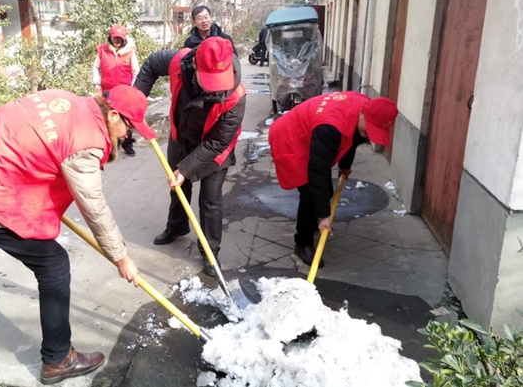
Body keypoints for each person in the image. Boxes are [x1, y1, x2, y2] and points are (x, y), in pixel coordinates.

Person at [0, 85, 156, 385]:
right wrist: (121, 256)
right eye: (129, 127)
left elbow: (27, 143)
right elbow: (93, 205)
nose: (127, 135)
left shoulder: (64, 99)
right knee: (53, 264)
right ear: (114, 114)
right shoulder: (86, 140)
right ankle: (58, 359)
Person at [134, 36, 246, 277]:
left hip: (215, 146)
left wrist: (186, 169)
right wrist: (136, 101)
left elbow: (218, 142)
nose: (215, 88)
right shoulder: (179, 61)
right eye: (210, 80)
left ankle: (210, 252)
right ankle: (177, 226)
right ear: (195, 64)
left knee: (210, 199)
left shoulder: (236, 96)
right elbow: (151, 64)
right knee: (177, 187)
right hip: (182, 136)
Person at [268, 91, 399, 267]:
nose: (368, 134)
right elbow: (318, 171)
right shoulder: (331, 127)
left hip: (312, 131)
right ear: (362, 113)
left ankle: (313, 221)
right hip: (291, 137)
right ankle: (303, 243)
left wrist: (345, 165)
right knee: (309, 194)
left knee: (324, 192)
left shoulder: (365, 106)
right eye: (368, 128)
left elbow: (352, 138)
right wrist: (324, 215)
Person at [92, 24, 140, 156]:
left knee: (126, 118)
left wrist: (132, 89)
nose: (117, 40)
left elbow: (136, 72)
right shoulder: (102, 50)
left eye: (119, 38)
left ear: (124, 39)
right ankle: (114, 142)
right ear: (110, 37)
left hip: (124, 92)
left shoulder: (130, 52)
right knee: (109, 118)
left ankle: (127, 143)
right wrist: (96, 83)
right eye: (115, 38)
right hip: (108, 91)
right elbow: (96, 67)